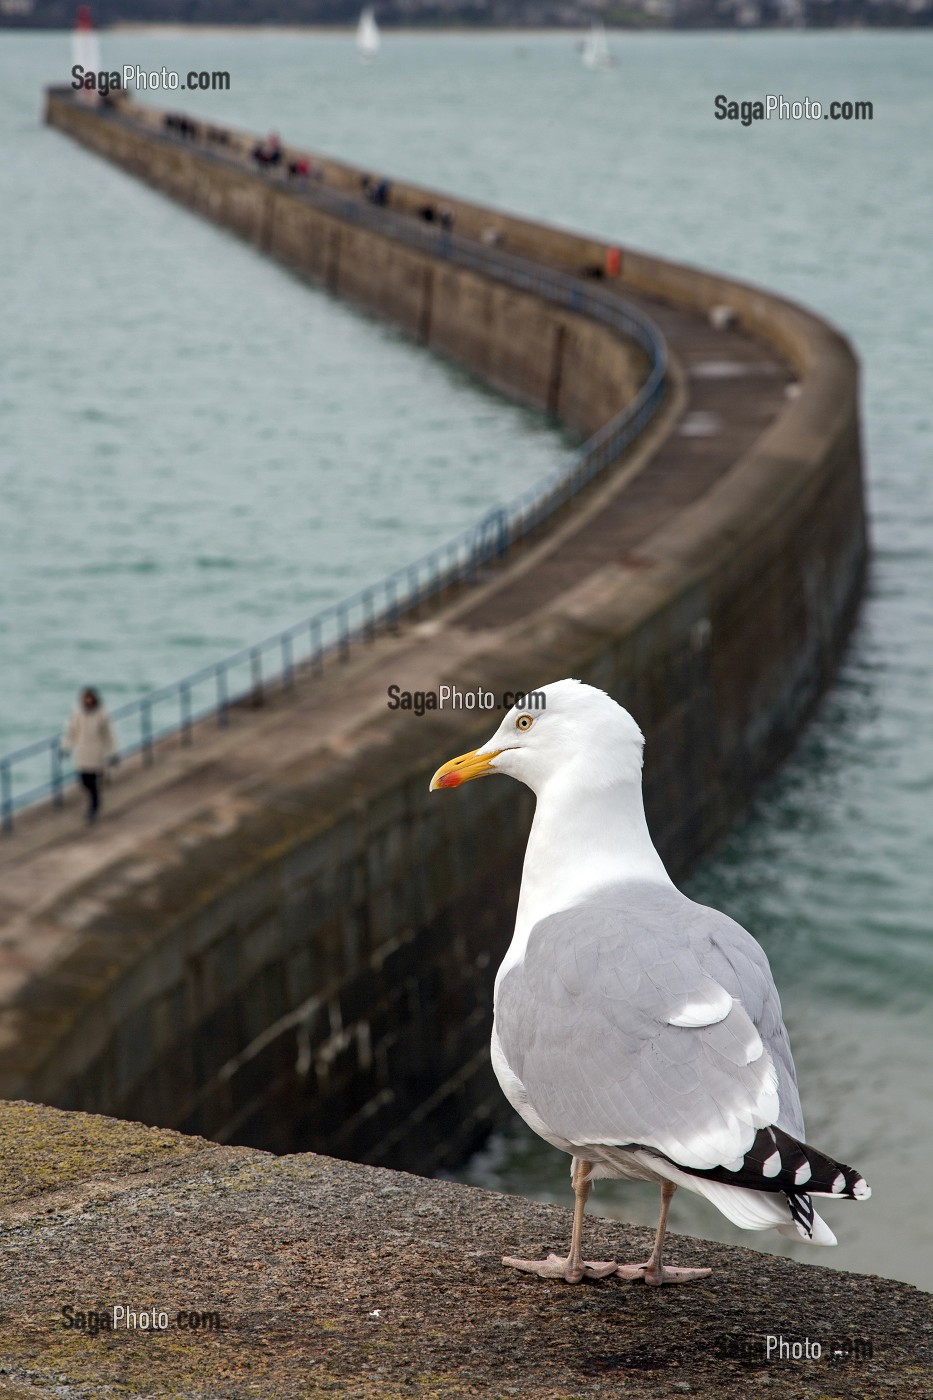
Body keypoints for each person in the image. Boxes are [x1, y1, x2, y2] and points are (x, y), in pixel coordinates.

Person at [61, 688, 117, 824]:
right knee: (84, 781)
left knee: (92, 780)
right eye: (86, 698)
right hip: (82, 752)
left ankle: (93, 807)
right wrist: (65, 747)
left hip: (96, 753)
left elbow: (109, 735)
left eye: (90, 698)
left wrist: (112, 753)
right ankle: (95, 801)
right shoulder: (77, 713)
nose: (88, 700)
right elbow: (71, 731)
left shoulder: (102, 714)